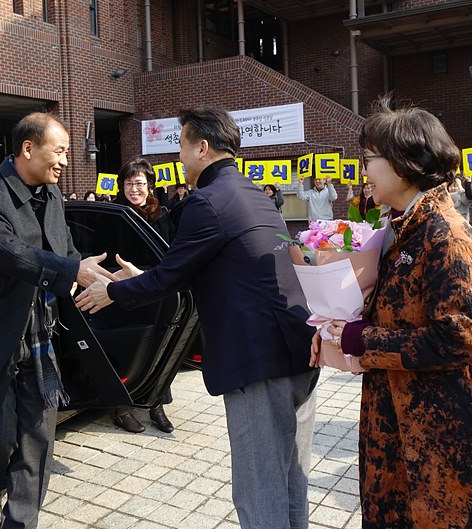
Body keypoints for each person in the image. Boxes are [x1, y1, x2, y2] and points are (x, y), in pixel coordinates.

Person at [314, 98, 472, 528]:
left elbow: (458, 340)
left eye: (369, 160)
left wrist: (360, 339)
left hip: (448, 433)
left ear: (404, 164)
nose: (363, 171)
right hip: (404, 419)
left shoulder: (446, 237)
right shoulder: (403, 227)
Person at [77, 106, 318, 529]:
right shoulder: (251, 193)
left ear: (202, 147)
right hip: (299, 349)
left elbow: (172, 276)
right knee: (289, 477)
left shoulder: (206, 200)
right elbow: (206, 266)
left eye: (182, 146)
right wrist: (144, 276)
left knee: (259, 487)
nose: (179, 157)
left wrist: (111, 291)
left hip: (258, 360)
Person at [0, 112, 117, 529]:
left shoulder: (52, 194)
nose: (65, 161)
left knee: (38, 441)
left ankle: (19, 522)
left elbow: (65, 251)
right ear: (28, 148)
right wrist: (72, 270)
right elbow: (7, 252)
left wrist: (96, 274)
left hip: (40, 339)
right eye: (60, 151)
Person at [109, 157, 176, 434]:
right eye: (128, 184)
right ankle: (120, 407)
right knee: (125, 348)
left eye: (139, 183)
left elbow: (171, 254)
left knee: (159, 347)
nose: (134, 189)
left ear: (150, 186)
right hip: (123, 289)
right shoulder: (114, 214)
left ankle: (156, 404)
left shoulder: (162, 214)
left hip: (154, 288)